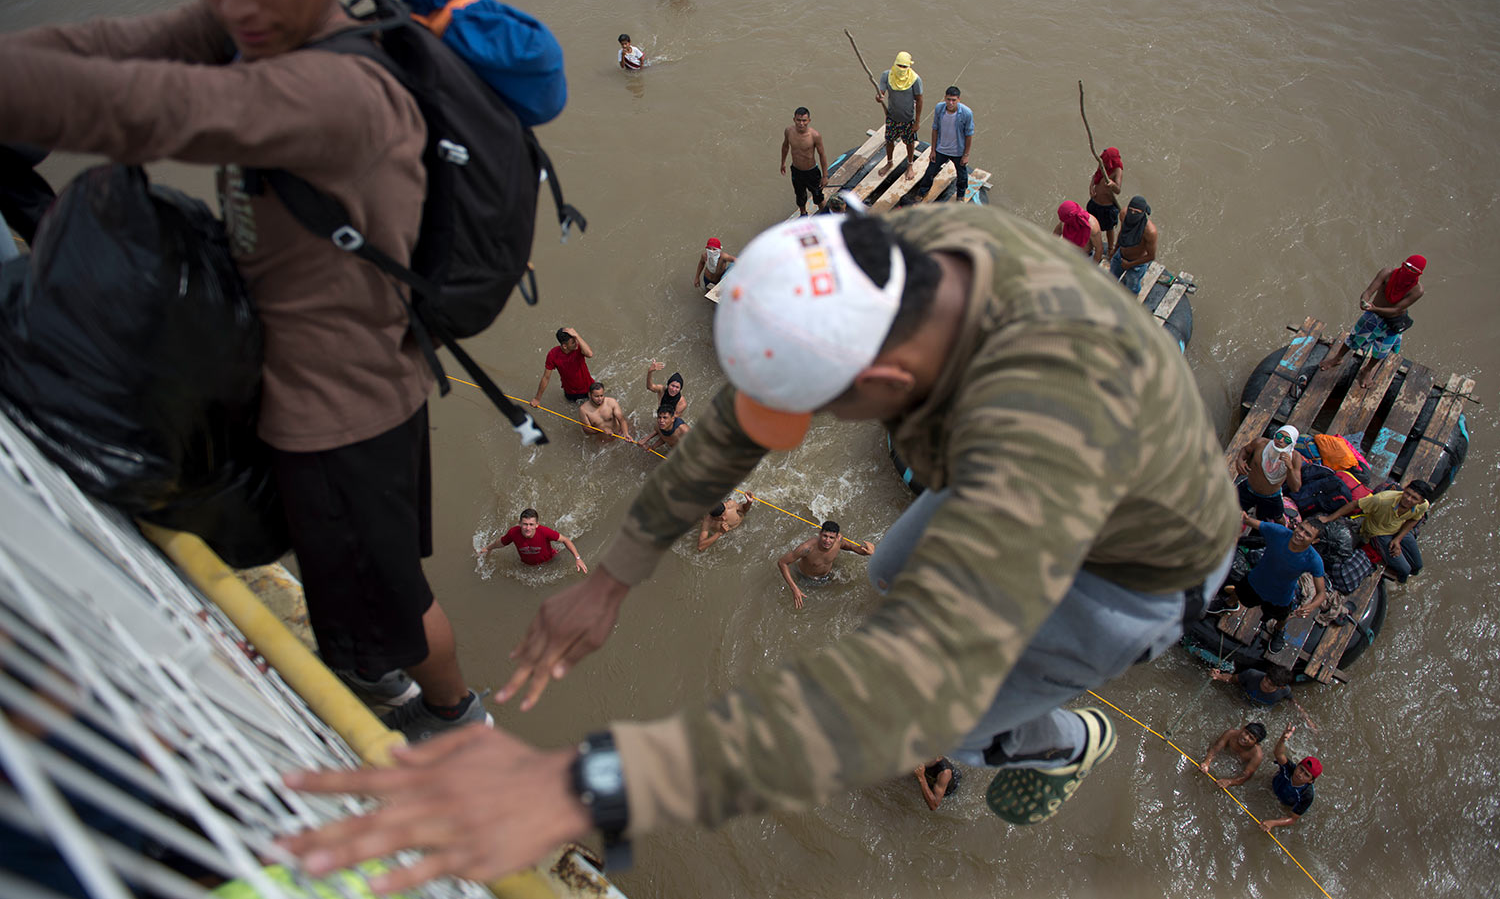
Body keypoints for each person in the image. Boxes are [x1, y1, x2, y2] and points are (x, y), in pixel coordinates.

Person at [280, 206, 1239, 885]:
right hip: (1001, 477)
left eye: (815, 408)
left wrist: (585, 786)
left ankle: (1067, 738)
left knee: (932, 722)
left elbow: (880, 698)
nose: (788, 422)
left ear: (895, 375)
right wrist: (615, 572)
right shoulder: (912, 255)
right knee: (896, 569)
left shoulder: (1037, 434)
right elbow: (744, 421)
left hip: (1128, 575)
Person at [0, 0, 494, 742]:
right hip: (324, 376)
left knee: (396, 603)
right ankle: (381, 672)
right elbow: (108, 50)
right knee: (364, 587)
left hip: (340, 411)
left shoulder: (333, 90)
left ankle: (457, 723)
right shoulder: (261, 29)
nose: (234, 0)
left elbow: (139, 106)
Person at [1213, 513, 1326, 653]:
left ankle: (1278, 631)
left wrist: (1311, 606)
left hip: (1280, 596)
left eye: (1307, 534)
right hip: (1256, 580)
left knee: (1281, 617)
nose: (1300, 534)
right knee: (1239, 591)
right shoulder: (1279, 532)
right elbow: (1250, 521)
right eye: (1301, 528)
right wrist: (1242, 516)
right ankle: (1229, 604)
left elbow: (1321, 593)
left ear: (1314, 541)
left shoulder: (1313, 560)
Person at [1318, 256, 1426, 389]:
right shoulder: (1387, 273)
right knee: (1354, 337)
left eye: (1412, 270)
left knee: (1382, 350)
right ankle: (1338, 358)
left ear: (1419, 274)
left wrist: (1375, 308)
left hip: (1393, 322)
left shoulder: (1417, 290)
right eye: (1407, 267)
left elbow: (1396, 309)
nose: (1407, 271)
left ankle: (1367, 370)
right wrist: (1364, 300)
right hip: (1373, 316)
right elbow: (1368, 291)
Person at [1319, 479, 1433, 582]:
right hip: (1378, 534)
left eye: (1414, 498)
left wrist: (1398, 539)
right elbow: (1355, 505)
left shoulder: (1423, 506)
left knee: (1418, 566)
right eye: (1407, 493)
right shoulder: (1383, 500)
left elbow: (1414, 519)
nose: (1408, 499)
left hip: (1398, 529)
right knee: (1405, 570)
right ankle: (1402, 583)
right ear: (1405, 489)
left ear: (1421, 502)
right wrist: (1329, 518)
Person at [899, 87, 974, 207]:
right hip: (941, 149)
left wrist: (966, 155)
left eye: (954, 100)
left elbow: (969, 135)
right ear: (945, 98)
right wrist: (933, 150)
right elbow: (935, 129)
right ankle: (921, 193)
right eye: (948, 99)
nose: (950, 103)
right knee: (930, 172)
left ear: (959, 100)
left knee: (962, 176)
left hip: (958, 151)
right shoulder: (939, 108)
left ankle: (960, 196)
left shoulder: (966, 113)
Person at [775, 521, 875, 608]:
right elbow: (782, 562)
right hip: (806, 578)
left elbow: (852, 548)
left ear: (836, 538)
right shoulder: (807, 548)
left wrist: (865, 552)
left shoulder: (838, 542)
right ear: (820, 534)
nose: (827, 541)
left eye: (831, 538)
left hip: (826, 575)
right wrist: (794, 588)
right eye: (825, 536)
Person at [1229, 425, 1304, 523]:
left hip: (1270, 496)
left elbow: (1295, 488)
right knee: (1229, 508)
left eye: (1287, 440)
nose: (1281, 441)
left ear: (1292, 443)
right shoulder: (1261, 443)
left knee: (1278, 519)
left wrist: (1289, 467)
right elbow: (1245, 450)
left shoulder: (1295, 458)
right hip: (1248, 489)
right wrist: (1240, 461)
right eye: (1279, 436)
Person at [481, 510, 588, 574]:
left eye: (531, 524)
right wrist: (487, 548)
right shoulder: (513, 533)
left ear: (537, 524)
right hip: (526, 565)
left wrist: (578, 558)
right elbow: (501, 542)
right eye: (525, 524)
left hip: (550, 560)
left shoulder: (544, 532)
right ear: (519, 523)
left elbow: (565, 540)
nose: (528, 528)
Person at [1260, 725, 1320, 831]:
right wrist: (1283, 739)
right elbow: (1278, 754)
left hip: (1286, 803)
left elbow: (1292, 819)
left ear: (1311, 781)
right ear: (1297, 766)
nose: (1300, 774)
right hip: (1271, 785)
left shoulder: (1307, 795)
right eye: (1301, 769)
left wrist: (1273, 823)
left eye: (1306, 775)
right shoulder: (1290, 768)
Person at [875, 52, 923, 176]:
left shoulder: (915, 80)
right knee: (889, 140)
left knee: (909, 143)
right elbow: (881, 93)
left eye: (904, 66)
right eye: (899, 66)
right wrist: (879, 97)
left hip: (908, 119)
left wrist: (917, 122)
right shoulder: (887, 76)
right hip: (892, 117)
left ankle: (910, 165)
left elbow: (919, 100)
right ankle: (889, 162)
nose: (901, 69)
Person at [780, 108, 828, 216]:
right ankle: (803, 214)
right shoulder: (789, 131)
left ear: (809, 120)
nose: (801, 123)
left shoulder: (815, 136)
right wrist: (782, 163)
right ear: (794, 119)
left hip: (811, 172)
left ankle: (826, 216)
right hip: (796, 171)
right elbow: (785, 146)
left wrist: (825, 176)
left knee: (818, 197)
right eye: (798, 120)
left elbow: (822, 155)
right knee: (800, 196)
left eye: (804, 120)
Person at [532, 327, 595, 406]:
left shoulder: (579, 348)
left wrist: (577, 335)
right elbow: (546, 377)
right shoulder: (553, 355)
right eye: (573, 342)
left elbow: (590, 354)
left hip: (588, 389)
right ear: (565, 346)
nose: (576, 343)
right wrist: (537, 399)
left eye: (576, 340)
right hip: (569, 392)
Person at [1109, 195, 1157, 295]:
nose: (1132, 214)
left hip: (1136, 264)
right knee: (1110, 280)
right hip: (1120, 255)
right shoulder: (1123, 214)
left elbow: (1151, 256)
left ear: (1143, 213)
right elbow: (1122, 233)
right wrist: (1115, 249)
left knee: (1131, 289)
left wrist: (1129, 264)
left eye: (1137, 212)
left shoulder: (1149, 231)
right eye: (1131, 210)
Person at [1198, 722, 1267, 789]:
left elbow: (1246, 775)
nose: (1246, 737)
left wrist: (1230, 782)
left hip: (1239, 765)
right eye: (1246, 733)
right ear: (1242, 728)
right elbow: (1214, 749)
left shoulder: (1257, 755)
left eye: (1251, 738)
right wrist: (1206, 762)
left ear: (1256, 743)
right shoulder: (1230, 734)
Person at [1088, 147, 1123, 257]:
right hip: (1095, 202)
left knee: (1109, 228)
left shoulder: (1117, 170)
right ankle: (1089, 243)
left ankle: (1110, 249)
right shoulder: (1102, 164)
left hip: (1107, 207)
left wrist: (1113, 185)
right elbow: (1095, 176)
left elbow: (1118, 190)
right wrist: (1091, 188)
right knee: (1090, 224)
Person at [1207, 665, 1296, 707]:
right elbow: (1231, 679)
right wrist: (1218, 676)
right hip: (1241, 699)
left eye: (1270, 685)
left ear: (1281, 687)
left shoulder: (1285, 690)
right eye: (1265, 679)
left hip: (1260, 709)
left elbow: (1292, 701)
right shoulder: (1252, 674)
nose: (1265, 684)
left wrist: (1305, 717)